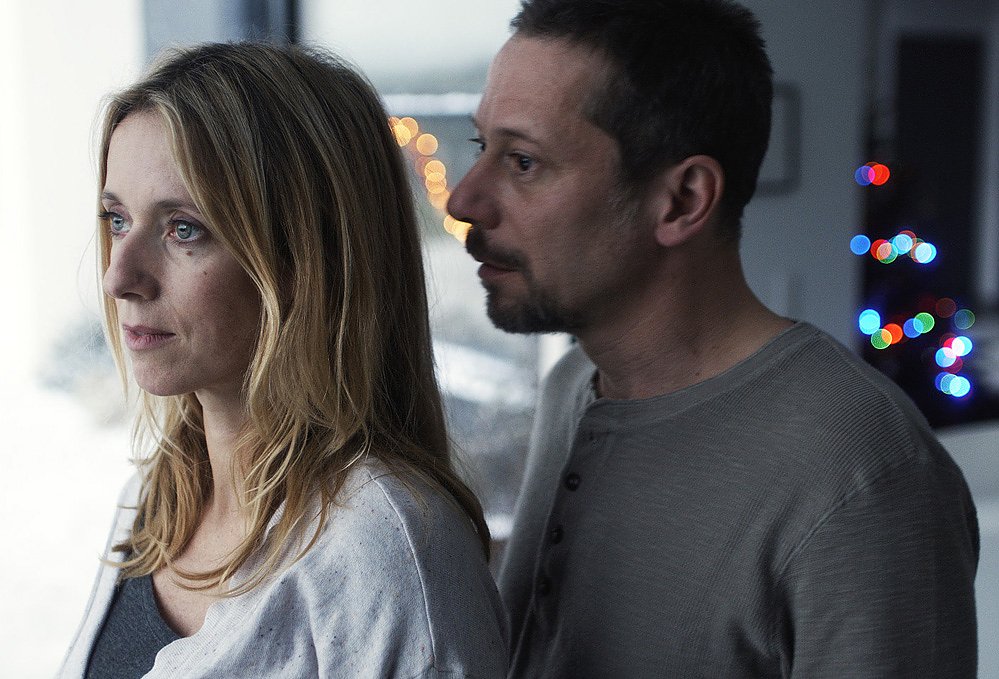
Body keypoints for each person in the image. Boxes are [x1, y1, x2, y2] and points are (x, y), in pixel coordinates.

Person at [445, 1, 979, 677]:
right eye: (481, 148)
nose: (464, 200)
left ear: (682, 200)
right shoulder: (571, 385)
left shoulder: (863, 475)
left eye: (523, 161)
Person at [59, 42, 507, 678]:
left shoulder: (384, 547)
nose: (118, 278)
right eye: (116, 219)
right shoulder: (156, 503)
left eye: (183, 228)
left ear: (309, 259)